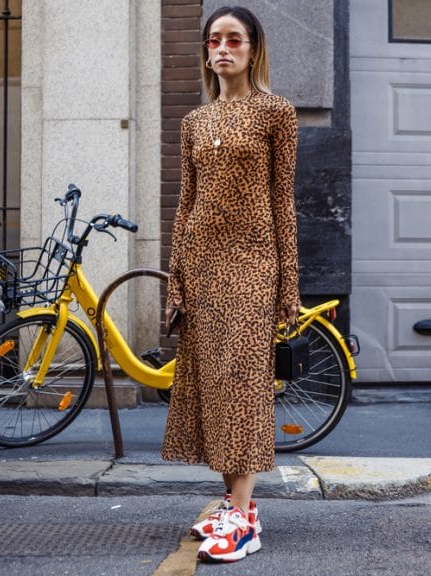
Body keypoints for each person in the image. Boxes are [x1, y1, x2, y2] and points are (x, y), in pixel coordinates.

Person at [161, 4, 300, 564]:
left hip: (251, 264)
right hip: (201, 265)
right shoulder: (194, 122)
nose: (222, 48)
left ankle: (243, 521)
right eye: (214, 40)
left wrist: (289, 282)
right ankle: (234, 501)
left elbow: (283, 201)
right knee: (214, 387)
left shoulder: (277, 113)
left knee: (242, 384)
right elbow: (185, 203)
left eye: (234, 39)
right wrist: (176, 279)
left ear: (252, 48)